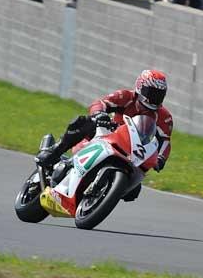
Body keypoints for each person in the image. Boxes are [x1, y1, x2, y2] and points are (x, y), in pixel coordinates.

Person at [35, 70, 173, 201]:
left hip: (134, 152)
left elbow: (165, 141)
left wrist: (161, 158)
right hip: (108, 134)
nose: (154, 98)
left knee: (133, 191)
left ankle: (100, 195)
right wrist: (99, 114)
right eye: (151, 92)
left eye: (158, 94)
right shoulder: (125, 96)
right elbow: (100, 103)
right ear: (140, 87)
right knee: (84, 123)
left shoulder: (164, 117)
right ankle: (55, 151)